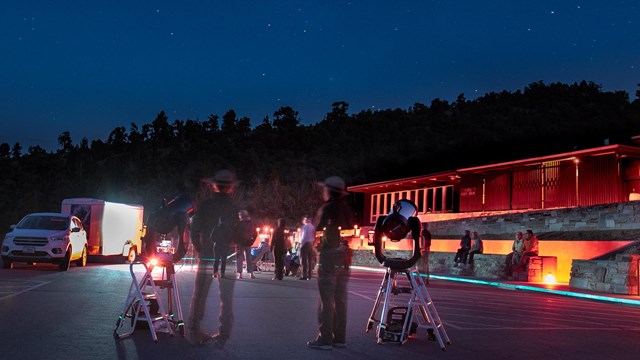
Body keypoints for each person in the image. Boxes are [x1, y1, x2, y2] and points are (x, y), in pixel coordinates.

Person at [187, 170, 239, 348]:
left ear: (214, 186)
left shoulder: (206, 205)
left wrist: (198, 247)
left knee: (200, 293)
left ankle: (194, 331)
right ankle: (223, 335)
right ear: (231, 187)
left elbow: (195, 227)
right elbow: (239, 234)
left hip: (208, 255)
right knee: (226, 297)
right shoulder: (234, 207)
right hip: (227, 257)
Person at [307, 176, 353, 350]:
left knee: (326, 300)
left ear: (328, 191)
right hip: (344, 260)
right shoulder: (347, 210)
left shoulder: (326, 209)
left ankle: (325, 338)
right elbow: (350, 237)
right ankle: (340, 338)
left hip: (328, 259)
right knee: (340, 299)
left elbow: (317, 236)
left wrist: (317, 251)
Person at [235, 210, 256, 279]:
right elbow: (255, 232)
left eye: (239, 215)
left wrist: (235, 241)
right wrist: (252, 240)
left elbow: (236, 233)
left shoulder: (240, 223)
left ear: (241, 216)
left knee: (239, 258)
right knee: (248, 258)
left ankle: (240, 274)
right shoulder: (251, 223)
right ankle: (251, 273)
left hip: (240, 242)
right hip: (248, 242)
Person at [299, 215, 316, 280]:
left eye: (304, 219)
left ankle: (304, 275)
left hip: (305, 244)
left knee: (304, 260)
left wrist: (301, 244)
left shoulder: (305, 227)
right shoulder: (313, 227)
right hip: (311, 244)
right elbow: (314, 236)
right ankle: (309, 275)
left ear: (307, 219)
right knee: (310, 260)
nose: (303, 220)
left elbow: (304, 237)